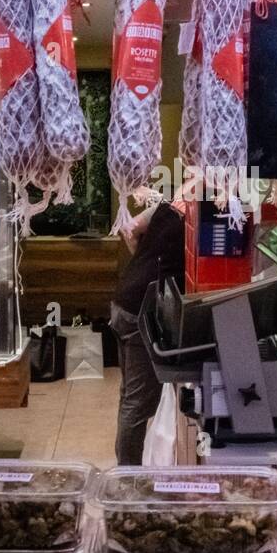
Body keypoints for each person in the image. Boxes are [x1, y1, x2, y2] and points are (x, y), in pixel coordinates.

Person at [110, 197, 185, 465]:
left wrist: (144, 262)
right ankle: (127, 479)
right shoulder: (204, 207)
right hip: (141, 311)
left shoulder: (174, 201)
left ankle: (125, 470)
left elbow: (130, 228)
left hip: (125, 299)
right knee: (138, 405)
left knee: (128, 396)